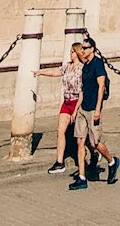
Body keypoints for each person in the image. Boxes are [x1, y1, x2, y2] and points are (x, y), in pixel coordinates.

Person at [72, 41, 120, 192]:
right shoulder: (85, 66)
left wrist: (98, 109)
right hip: (83, 108)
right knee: (80, 141)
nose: (83, 50)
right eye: (82, 48)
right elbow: (83, 89)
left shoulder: (98, 64)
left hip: (93, 108)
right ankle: (82, 177)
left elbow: (101, 87)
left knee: (95, 143)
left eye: (85, 48)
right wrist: (77, 108)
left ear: (92, 49)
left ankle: (112, 161)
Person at [48, 41, 84, 174]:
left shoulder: (82, 69)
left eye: (73, 52)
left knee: (82, 135)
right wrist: (40, 72)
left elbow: (81, 91)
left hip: (76, 102)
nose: (71, 54)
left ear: (78, 52)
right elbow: (55, 72)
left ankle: (93, 154)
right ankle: (59, 162)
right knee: (60, 131)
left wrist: (76, 111)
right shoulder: (67, 67)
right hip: (66, 101)